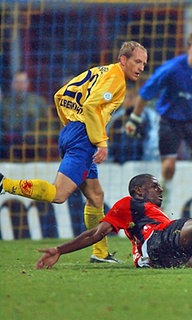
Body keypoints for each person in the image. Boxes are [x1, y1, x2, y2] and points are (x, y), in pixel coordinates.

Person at [0, 41, 148, 263]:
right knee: (59, 195)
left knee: (96, 196)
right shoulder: (116, 78)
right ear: (123, 60)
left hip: (73, 131)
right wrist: (101, 142)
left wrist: (70, 125)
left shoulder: (99, 71)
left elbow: (60, 95)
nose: (141, 67)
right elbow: (90, 107)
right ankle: (4, 183)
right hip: (84, 138)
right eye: (137, 61)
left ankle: (100, 253)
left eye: (144, 63)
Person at [35, 174, 192, 269]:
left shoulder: (153, 210)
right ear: (139, 191)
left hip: (169, 260)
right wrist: (59, 250)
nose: (160, 190)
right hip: (156, 245)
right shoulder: (128, 204)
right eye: (155, 187)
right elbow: (95, 233)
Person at [125, 30, 192, 218]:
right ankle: (162, 211)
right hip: (170, 121)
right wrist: (135, 118)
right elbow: (147, 91)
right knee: (168, 167)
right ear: (189, 48)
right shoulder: (172, 68)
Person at [0, 70, 49, 160]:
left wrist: (42, 136)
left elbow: (48, 123)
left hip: (34, 143)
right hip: (9, 144)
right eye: (17, 82)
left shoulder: (39, 102)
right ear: (12, 84)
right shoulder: (4, 104)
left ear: (27, 84)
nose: (20, 85)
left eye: (22, 82)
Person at [109, 84, 159, 164]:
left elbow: (153, 140)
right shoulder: (116, 119)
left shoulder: (149, 117)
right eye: (124, 97)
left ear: (138, 99)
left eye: (130, 97)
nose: (126, 101)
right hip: (117, 164)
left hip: (142, 163)